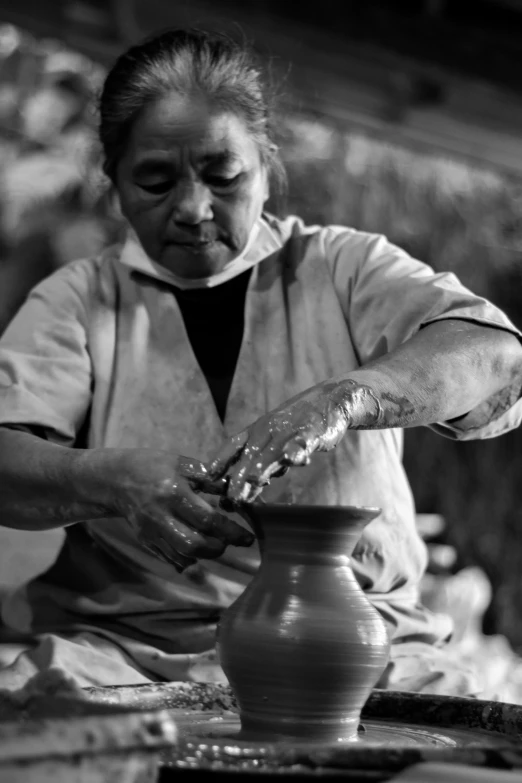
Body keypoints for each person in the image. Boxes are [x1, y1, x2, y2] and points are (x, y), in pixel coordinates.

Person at [0, 28, 521, 694]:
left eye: (223, 176)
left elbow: (496, 356)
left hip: (369, 644)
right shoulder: (80, 299)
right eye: (156, 181)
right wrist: (104, 479)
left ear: (269, 168)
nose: (192, 209)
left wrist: (351, 397)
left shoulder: (344, 267)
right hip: (138, 650)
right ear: (115, 184)